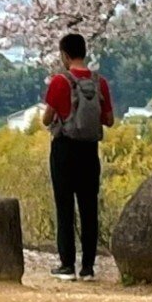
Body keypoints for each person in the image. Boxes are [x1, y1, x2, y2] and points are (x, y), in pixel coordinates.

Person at [41, 32, 114, 280]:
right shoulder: (99, 82)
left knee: (65, 207)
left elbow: (47, 119)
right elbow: (109, 120)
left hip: (64, 149)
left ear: (64, 54)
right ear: (84, 52)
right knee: (89, 207)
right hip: (89, 150)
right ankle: (88, 267)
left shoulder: (60, 81)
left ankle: (67, 264)